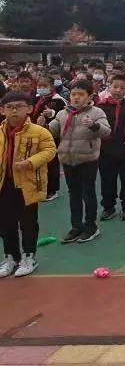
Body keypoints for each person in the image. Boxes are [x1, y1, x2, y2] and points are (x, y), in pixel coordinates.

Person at [0, 92, 57, 278]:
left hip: (28, 184)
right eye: (9, 107)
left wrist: (30, 162)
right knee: (5, 223)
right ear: (2, 110)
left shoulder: (39, 132)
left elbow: (49, 150)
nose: (14, 111)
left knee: (28, 222)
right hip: (4, 185)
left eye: (19, 106)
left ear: (30, 109)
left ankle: (29, 256)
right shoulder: (1, 131)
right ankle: (11, 257)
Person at [48, 79, 111, 244]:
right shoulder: (63, 113)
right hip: (67, 159)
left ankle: (91, 227)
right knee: (73, 194)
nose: (76, 98)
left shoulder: (96, 112)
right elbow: (53, 131)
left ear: (89, 96)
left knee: (88, 193)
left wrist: (93, 126)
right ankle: (76, 227)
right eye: (73, 94)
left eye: (81, 94)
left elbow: (106, 132)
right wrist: (46, 122)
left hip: (87, 159)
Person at [97, 74, 125, 221]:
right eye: (115, 86)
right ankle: (108, 207)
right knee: (107, 180)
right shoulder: (100, 107)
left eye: (122, 88)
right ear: (109, 86)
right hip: (106, 150)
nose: (118, 90)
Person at [31, 74, 67, 201]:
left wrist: (52, 114)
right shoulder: (36, 99)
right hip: (34, 134)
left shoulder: (58, 100)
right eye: (39, 86)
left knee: (51, 162)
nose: (41, 88)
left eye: (44, 86)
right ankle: (39, 187)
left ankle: (52, 189)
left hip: (51, 135)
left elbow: (64, 116)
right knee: (38, 162)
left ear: (52, 86)